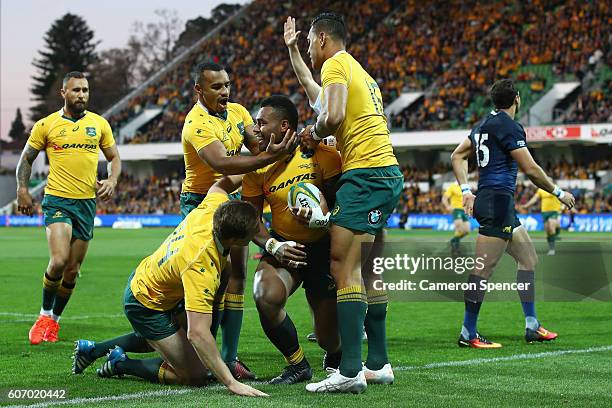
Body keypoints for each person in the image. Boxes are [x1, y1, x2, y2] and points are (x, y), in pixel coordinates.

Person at [288, 13, 404, 393]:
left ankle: (350, 370)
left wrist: (312, 132)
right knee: (369, 270)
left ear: (322, 39)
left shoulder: (336, 64)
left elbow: (331, 115)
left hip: (365, 174)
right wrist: (292, 51)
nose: (309, 50)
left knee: (343, 266)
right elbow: (314, 92)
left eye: (307, 43)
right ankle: (378, 363)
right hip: (386, 172)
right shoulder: (361, 74)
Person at [73, 177, 268, 397]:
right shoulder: (201, 266)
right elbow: (198, 333)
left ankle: (92, 350)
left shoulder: (213, 209)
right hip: (145, 303)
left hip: (154, 280)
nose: (259, 232)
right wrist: (232, 383)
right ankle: (121, 364)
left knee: (171, 339)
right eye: (254, 231)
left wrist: (254, 169)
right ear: (237, 239)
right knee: (197, 374)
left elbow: (219, 185)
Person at [180, 62, 295, 378]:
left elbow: (258, 147)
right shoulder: (196, 123)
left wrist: (291, 143)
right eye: (217, 87)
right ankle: (199, 351)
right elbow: (222, 162)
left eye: (227, 85)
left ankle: (229, 358)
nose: (225, 92)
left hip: (231, 199)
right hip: (201, 204)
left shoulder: (239, 112)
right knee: (210, 279)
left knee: (238, 275)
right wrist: (270, 156)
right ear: (199, 90)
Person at [450, 79, 575, 349]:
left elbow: (457, 156)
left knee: (528, 258)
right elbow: (530, 169)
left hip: (497, 203)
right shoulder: (508, 126)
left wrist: (465, 190)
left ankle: (531, 325)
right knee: (482, 270)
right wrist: (559, 193)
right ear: (517, 98)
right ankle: (467, 332)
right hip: (496, 203)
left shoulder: (483, 124)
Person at [241, 95, 342, 384]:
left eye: (262, 122)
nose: (256, 128)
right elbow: (251, 219)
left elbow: (341, 204)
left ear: (284, 126)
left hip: (323, 247)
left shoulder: (320, 152)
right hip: (286, 245)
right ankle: (297, 365)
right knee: (265, 294)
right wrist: (274, 245)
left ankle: (335, 354)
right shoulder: (257, 164)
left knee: (328, 339)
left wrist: (320, 216)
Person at [17, 71, 121, 345]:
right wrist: (22, 189)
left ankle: (54, 322)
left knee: (72, 270)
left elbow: (114, 157)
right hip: (57, 200)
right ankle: (43, 315)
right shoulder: (47, 124)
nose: (81, 95)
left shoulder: (99, 124)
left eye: (85, 90)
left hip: (87, 203)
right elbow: (26, 159)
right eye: (76, 90)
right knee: (60, 260)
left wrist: (112, 179)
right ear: (63, 93)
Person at [521, 187, 562, 255]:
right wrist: (526, 205)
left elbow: (562, 197)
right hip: (544, 213)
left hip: (554, 211)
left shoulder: (556, 188)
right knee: (548, 231)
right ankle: (552, 245)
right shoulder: (541, 190)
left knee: (551, 225)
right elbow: (535, 199)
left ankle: (552, 249)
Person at [442, 182, 471, 255]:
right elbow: (444, 198)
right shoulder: (452, 186)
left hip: (464, 210)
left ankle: (453, 240)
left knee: (467, 231)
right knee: (459, 228)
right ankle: (456, 248)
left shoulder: (466, 187)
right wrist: (447, 206)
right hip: (456, 210)